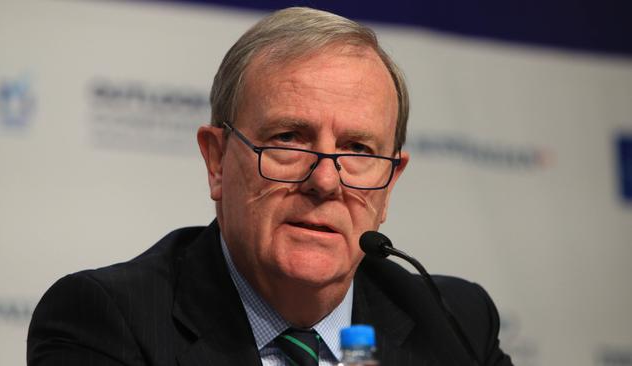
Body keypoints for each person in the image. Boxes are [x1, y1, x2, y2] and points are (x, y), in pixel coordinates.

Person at [27, 7, 512, 366]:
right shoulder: (107, 322)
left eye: (358, 151)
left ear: (389, 184)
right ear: (216, 161)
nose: (325, 181)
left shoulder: (455, 324)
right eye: (289, 139)